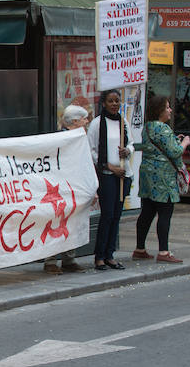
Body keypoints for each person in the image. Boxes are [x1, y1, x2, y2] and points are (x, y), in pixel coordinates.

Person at [134, 94, 190, 264]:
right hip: (163, 177)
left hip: (148, 175)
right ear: (160, 111)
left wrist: (174, 141)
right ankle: (164, 251)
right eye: (167, 107)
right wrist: (185, 142)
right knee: (165, 212)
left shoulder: (148, 127)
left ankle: (140, 248)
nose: (170, 110)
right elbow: (175, 152)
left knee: (147, 211)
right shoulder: (163, 128)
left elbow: (158, 147)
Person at [87, 89, 134, 271]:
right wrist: (109, 166)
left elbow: (130, 143)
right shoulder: (97, 124)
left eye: (117, 101)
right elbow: (91, 150)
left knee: (116, 216)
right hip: (107, 175)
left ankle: (110, 254)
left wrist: (127, 151)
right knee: (106, 215)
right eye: (111, 101)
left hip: (123, 175)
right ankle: (99, 256)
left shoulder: (123, 123)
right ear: (104, 103)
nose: (114, 104)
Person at [43, 105, 89, 274]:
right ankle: (51, 260)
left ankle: (69, 258)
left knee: (71, 222)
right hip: (60, 187)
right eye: (84, 119)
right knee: (57, 221)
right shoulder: (60, 139)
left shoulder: (79, 138)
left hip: (74, 186)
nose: (86, 121)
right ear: (75, 121)